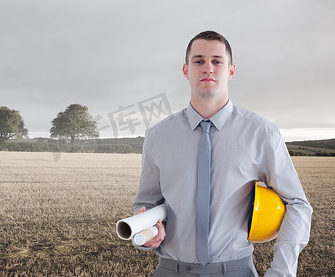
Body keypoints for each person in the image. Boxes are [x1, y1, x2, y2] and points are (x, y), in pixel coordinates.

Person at [133, 31, 312, 277]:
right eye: (198, 61)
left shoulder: (262, 133)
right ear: (186, 70)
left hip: (236, 270)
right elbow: (146, 203)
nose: (208, 68)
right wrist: (146, 234)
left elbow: (298, 204)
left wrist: (281, 272)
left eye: (217, 61)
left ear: (231, 70)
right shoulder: (157, 136)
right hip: (169, 270)